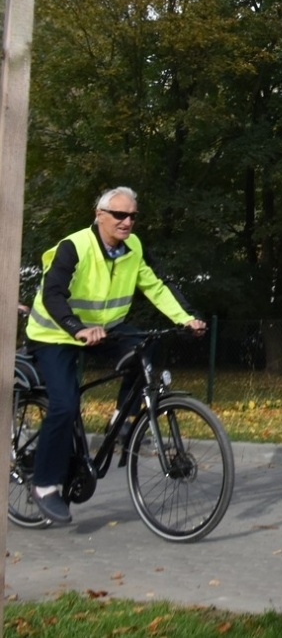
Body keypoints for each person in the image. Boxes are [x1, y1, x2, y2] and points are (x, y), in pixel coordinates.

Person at [24, 187, 206, 526]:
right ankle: (45, 484)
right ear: (100, 215)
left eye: (132, 216)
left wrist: (186, 318)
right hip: (54, 333)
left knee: (146, 347)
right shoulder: (74, 246)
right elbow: (52, 294)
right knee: (64, 405)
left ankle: (121, 420)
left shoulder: (133, 248)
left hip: (104, 329)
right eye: (120, 215)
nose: (127, 222)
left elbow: (156, 286)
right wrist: (75, 327)